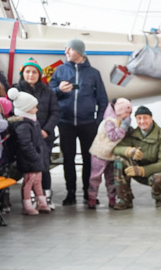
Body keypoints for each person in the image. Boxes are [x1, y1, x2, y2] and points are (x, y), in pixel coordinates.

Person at [50, 38, 109, 206]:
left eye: (69, 49)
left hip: (87, 124)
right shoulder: (60, 71)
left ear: (80, 51)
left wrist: (98, 122)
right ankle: (70, 193)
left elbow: (102, 100)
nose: (66, 52)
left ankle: (88, 193)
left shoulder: (93, 73)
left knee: (89, 159)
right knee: (68, 159)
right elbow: (49, 95)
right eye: (65, 48)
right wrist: (58, 90)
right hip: (65, 123)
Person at [12, 58, 60, 209]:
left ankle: (46, 197)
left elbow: (55, 112)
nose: (31, 75)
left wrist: (46, 130)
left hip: (44, 137)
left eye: (34, 72)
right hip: (24, 137)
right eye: (27, 72)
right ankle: (30, 198)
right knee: (28, 168)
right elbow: (11, 113)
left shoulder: (48, 91)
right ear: (22, 73)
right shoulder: (16, 90)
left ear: (39, 75)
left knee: (44, 165)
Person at [111, 106, 161, 210]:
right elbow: (116, 149)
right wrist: (128, 151)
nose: (142, 121)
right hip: (137, 170)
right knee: (119, 161)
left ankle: (159, 198)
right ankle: (125, 199)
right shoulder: (133, 134)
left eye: (145, 118)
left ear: (151, 119)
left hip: (157, 172)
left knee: (159, 179)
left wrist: (142, 170)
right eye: (139, 118)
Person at [6, 88, 51, 215]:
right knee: (28, 182)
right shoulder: (23, 125)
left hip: (36, 158)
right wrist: (36, 156)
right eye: (34, 107)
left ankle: (42, 203)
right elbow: (26, 144)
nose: (37, 109)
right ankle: (27, 204)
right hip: (29, 159)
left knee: (37, 181)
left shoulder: (32, 122)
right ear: (26, 108)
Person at [88, 98, 132, 209]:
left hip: (110, 155)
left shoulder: (119, 121)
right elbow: (113, 137)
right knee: (95, 177)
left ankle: (112, 198)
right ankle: (92, 198)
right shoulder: (109, 122)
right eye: (126, 113)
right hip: (100, 154)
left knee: (111, 178)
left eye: (130, 113)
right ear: (119, 111)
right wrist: (123, 128)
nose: (128, 115)